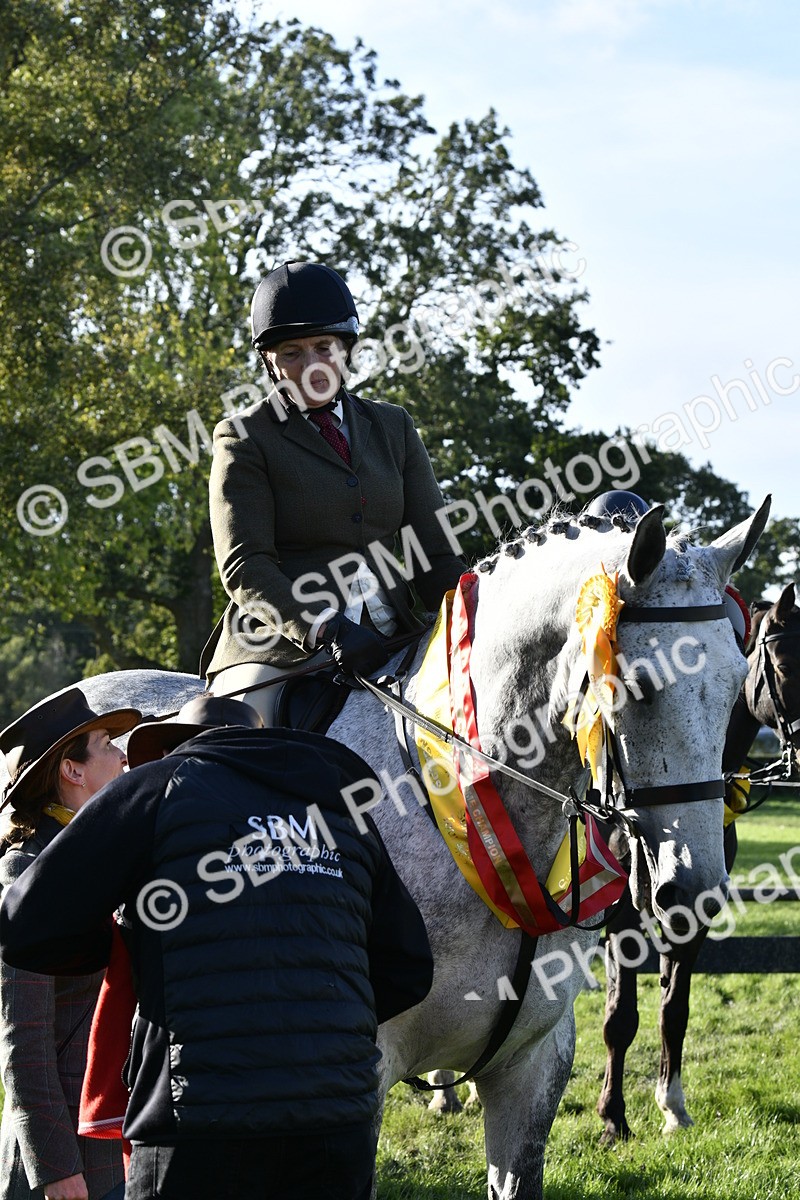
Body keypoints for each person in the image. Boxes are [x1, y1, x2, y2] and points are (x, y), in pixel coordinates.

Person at [0, 696, 434, 1200]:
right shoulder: (339, 816)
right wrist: (311, 1017)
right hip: (338, 1117)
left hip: (200, 1119)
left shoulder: (159, 788)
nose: (125, 758)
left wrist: (119, 946)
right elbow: (409, 968)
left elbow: (23, 925)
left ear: (178, 747)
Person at [201, 260, 467, 724]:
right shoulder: (244, 438)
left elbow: (434, 550)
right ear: (269, 361)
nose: (312, 367)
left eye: (323, 347)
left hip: (394, 632)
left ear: (346, 349)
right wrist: (321, 627)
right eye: (292, 353)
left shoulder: (393, 426)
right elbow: (246, 567)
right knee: (244, 737)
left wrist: (472, 610)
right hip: (281, 648)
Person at [0, 688, 141, 1200]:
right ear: (72, 770)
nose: (123, 754)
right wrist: (55, 1168)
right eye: (106, 743)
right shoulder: (26, 875)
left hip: (120, 1141)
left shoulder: (105, 855)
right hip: (67, 1167)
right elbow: (24, 1039)